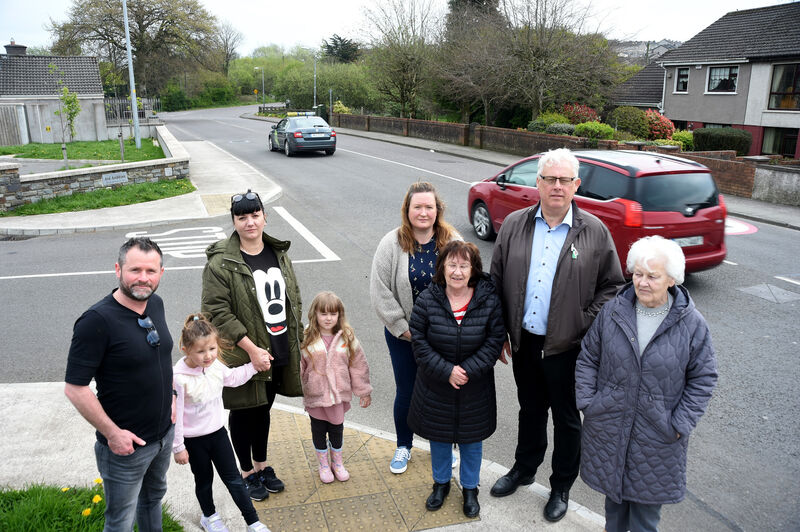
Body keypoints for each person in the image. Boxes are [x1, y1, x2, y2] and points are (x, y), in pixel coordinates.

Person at [489, 148, 625, 522]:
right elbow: (496, 280)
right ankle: (524, 468)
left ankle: (561, 486)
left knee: (566, 419)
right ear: (538, 182)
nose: (557, 186)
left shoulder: (594, 232)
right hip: (525, 341)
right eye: (550, 179)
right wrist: (500, 330)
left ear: (576, 185)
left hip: (569, 347)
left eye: (565, 180)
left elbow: (612, 287)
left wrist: (583, 323)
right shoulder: (516, 224)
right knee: (530, 409)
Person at [576, 236, 717, 532]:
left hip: (658, 436)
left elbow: (703, 378)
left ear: (672, 280)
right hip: (610, 426)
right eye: (638, 274)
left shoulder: (692, 324)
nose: (642, 282)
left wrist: (679, 422)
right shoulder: (613, 311)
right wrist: (589, 403)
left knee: (644, 519)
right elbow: (589, 357)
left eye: (653, 276)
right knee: (613, 509)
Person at [65, 237, 174, 531]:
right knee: (120, 521)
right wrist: (113, 434)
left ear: (161, 273)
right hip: (125, 448)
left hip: (163, 437)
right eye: (135, 270)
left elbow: (162, 358)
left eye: (151, 271)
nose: (143, 278)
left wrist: (173, 397)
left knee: (152, 500)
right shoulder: (96, 321)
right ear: (118, 269)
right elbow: (75, 388)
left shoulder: (156, 304)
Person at [202, 189, 303, 501]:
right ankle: (246, 472)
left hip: (278, 349)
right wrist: (250, 349)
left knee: (264, 410)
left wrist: (298, 339)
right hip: (244, 355)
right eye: (242, 216)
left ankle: (262, 465)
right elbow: (216, 312)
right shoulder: (221, 262)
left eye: (255, 214)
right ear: (234, 221)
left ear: (264, 216)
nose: (249, 222)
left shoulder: (278, 253)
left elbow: (292, 297)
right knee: (245, 412)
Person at [408, 241, 505, 518]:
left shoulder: (488, 299)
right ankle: (440, 485)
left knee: (471, 442)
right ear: (442, 268)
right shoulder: (428, 299)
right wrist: (446, 371)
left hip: (475, 388)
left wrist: (467, 371)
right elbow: (420, 341)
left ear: (473, 269)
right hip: (436, 386)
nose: (458, 272)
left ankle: (470, 489)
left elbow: (494, 340)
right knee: (439, 440)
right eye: (452, 265)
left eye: (464, 265)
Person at [370, 181, 459, 474]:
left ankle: (444, 445)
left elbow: (470, 282)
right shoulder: (391, 244)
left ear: (438, 210)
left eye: (428, 207)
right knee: (407, 391)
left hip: (446, 337)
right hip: (403, 336)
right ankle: (404, 445)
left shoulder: (452, 241)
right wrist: (406, 330)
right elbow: (380, 292)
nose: (423, 212)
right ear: (407, 210)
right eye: (417, 206)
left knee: (443, 391)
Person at [172, 314, 271, 532]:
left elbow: (233, 378)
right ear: (186, 349)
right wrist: (178, 447)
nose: (208, 356)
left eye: (212, 349)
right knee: (204, 480)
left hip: (218, 435)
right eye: (200, 351)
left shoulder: (215, 366)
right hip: (194, 441)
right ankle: (209, 517)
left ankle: (253, 521)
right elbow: (175, 416)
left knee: (234, 480)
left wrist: (255, 365)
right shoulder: (178, 378)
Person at [300, 291, 372, 484]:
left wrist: (363, 391)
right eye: (323, 314)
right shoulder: (307, 337)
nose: (328, 318)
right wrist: (299, 386)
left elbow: (358, 365)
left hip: (337, 396)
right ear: (315, 314)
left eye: (333, 314)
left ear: (340, 315)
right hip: (316, 395)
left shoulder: (347, 337)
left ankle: (337, 463)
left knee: (336, 429)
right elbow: (299, 366)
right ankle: (323, 465)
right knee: (318, 430)